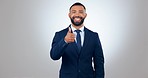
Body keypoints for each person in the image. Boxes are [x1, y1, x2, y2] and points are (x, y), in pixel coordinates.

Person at [50, 2, 104, 78]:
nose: (77, 15)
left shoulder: (93, 36)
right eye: (74, 12)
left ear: (85, 15)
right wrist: (65, 41)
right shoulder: (60, 34)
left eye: (81, 12)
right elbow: (54, 56)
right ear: (69, 15)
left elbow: (99, 62)